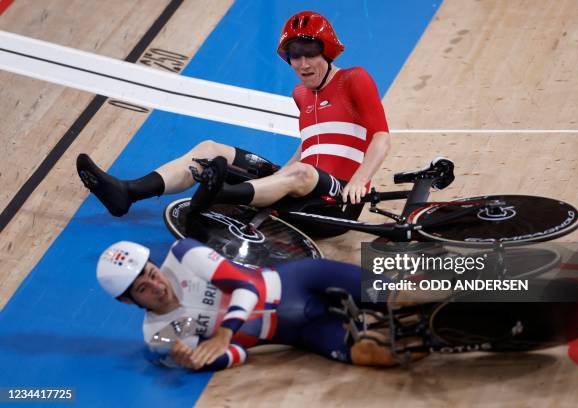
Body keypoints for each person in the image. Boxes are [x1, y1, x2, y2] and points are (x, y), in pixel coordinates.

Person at [77, 11, 390, 234]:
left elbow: (381, 138)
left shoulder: (354, 79)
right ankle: (127, 192)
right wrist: (283, 170)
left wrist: (360, 180)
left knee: (300, 171)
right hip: (301, 185)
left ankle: (220, 194)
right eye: (296, 55)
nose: (304, 63)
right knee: (211, 148)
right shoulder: (301, 94)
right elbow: (312, 143)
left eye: (311, 53)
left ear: (328, 51)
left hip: (337, 200)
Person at [96, 239, 427, 370]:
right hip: (301, 331)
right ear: (128, 300)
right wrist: (198, 361)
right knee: (373, 354)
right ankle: (455, 338)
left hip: (302, 281)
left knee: (401, 295)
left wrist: (224, 332)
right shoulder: (160, 334)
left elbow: (248, 286)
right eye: (144, 288)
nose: (158, 286)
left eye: (153, 274)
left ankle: (477, 285)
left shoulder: (183, 255)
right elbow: (239, 354)